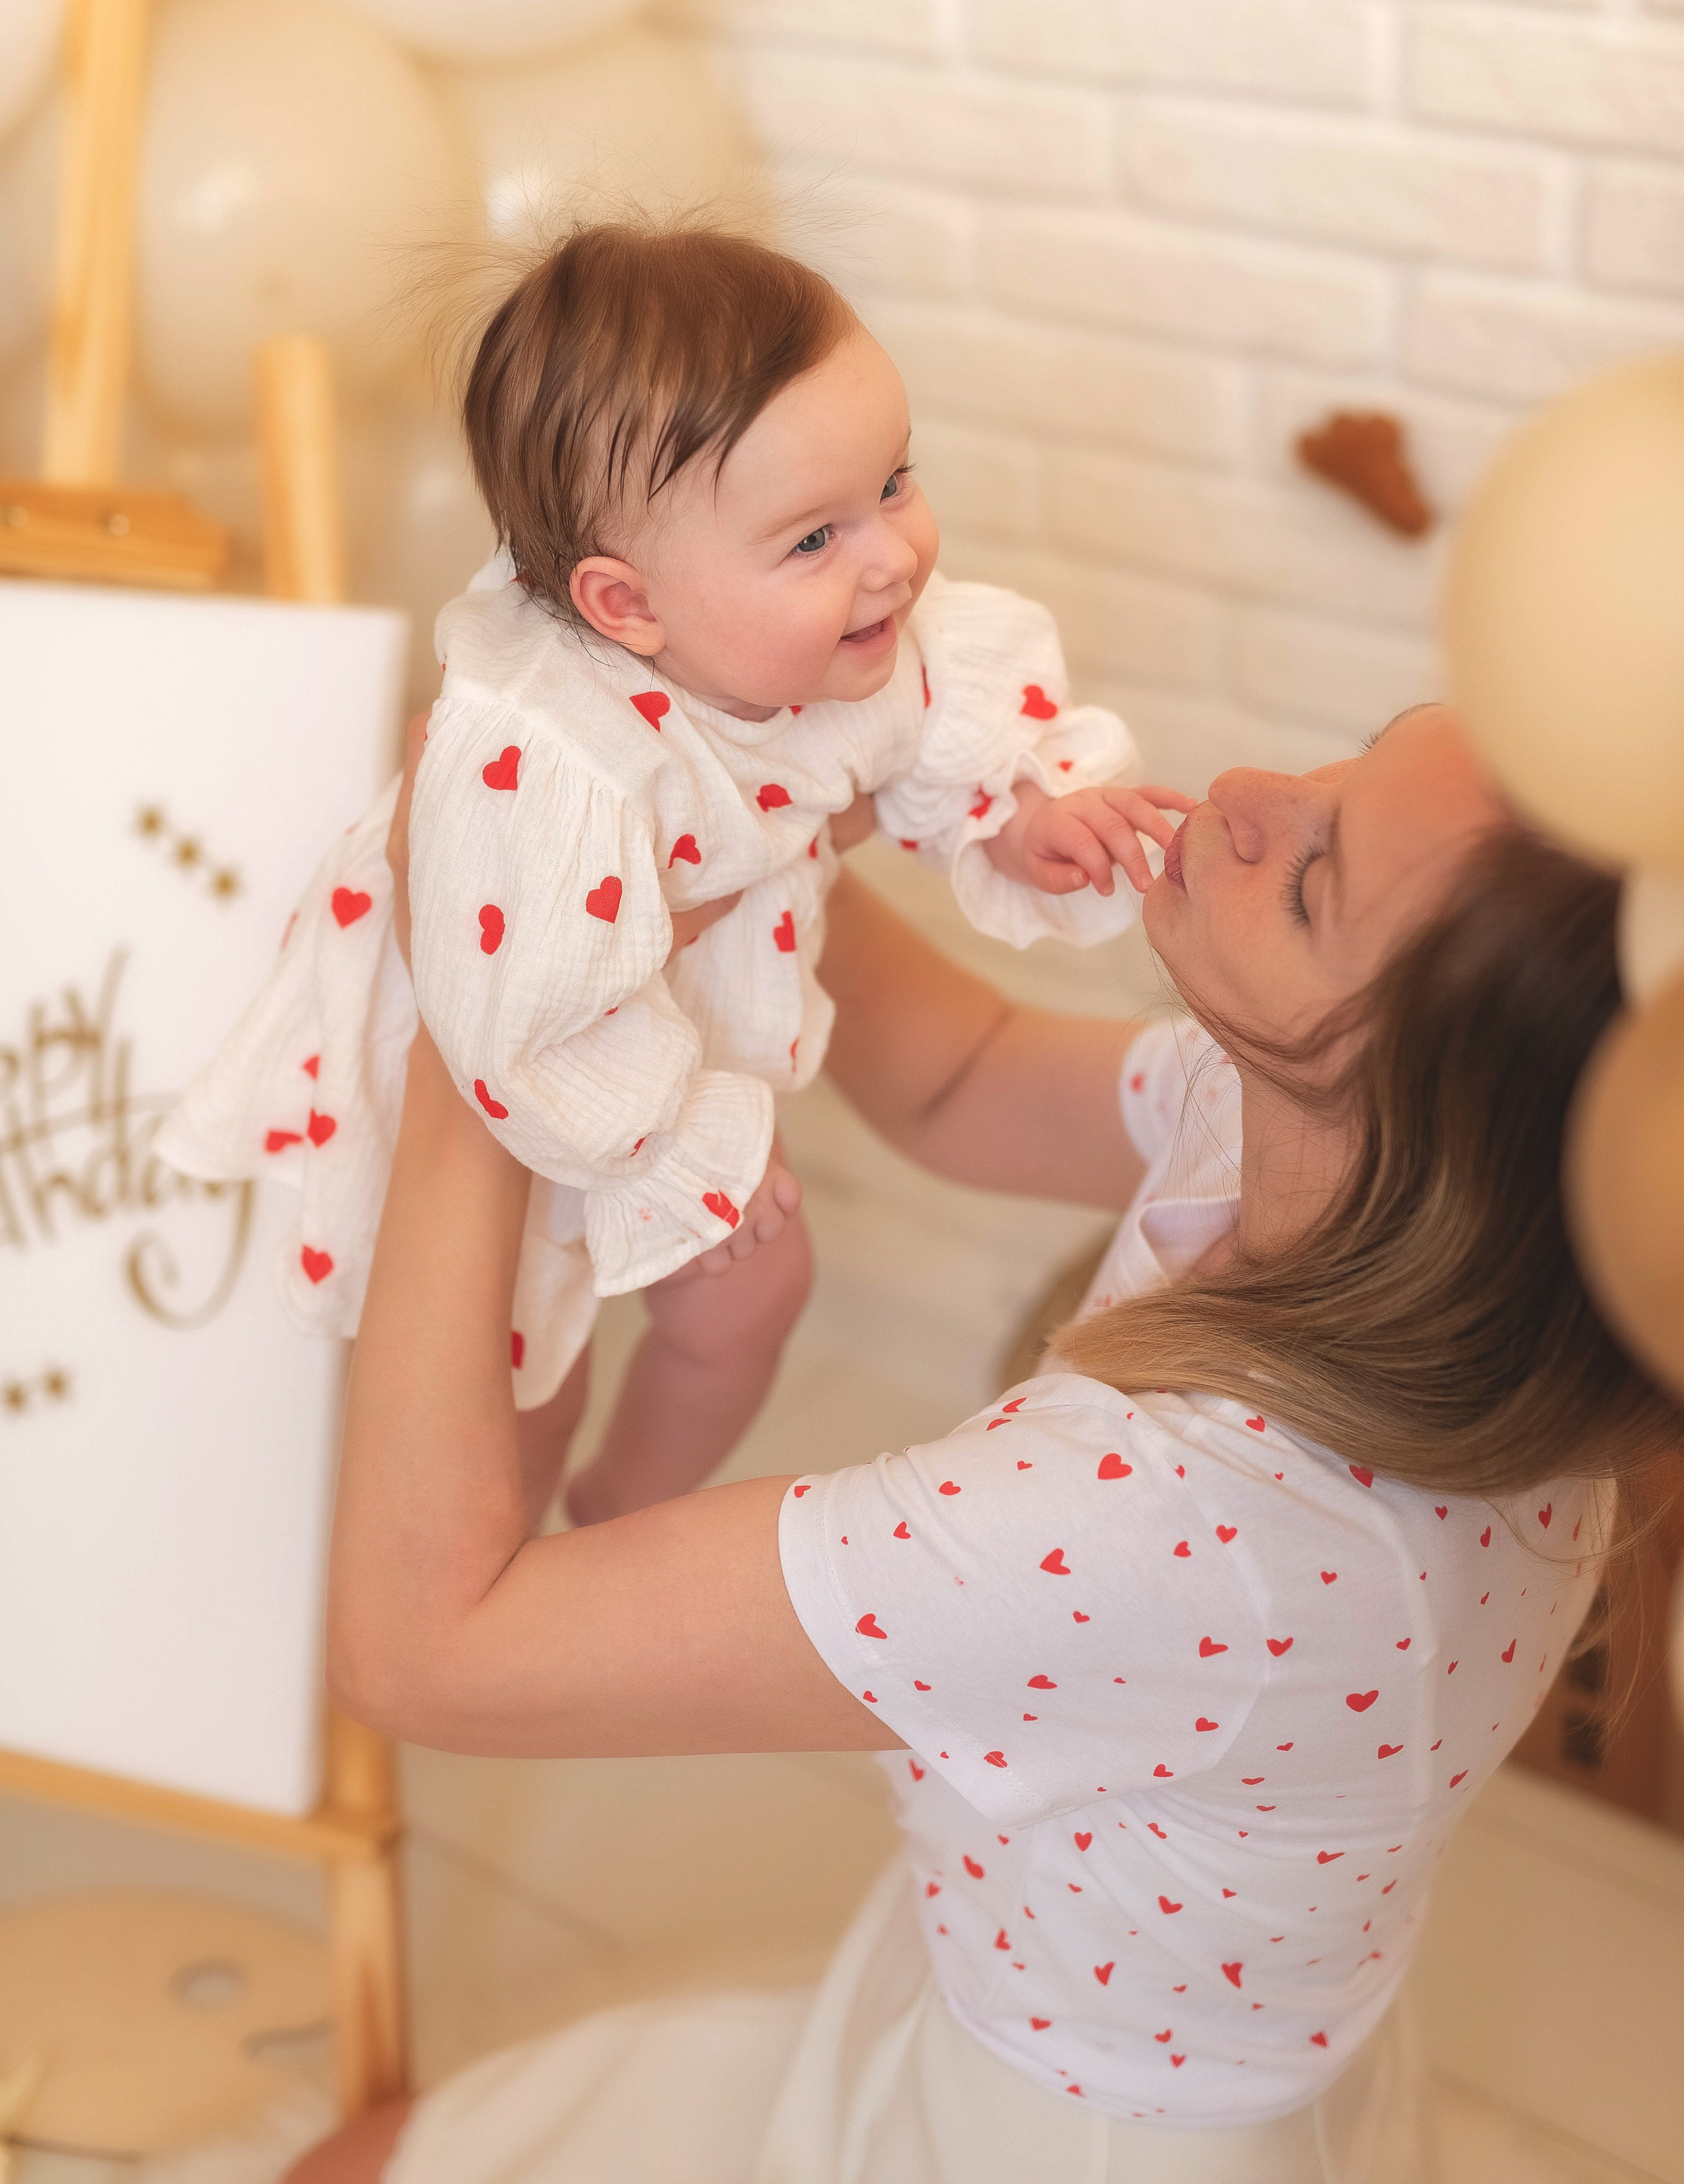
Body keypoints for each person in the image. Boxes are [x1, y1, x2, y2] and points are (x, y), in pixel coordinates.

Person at [287, 706, 1683, 2184]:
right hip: (1133, 2015)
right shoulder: (1461, 1272)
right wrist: (725, 815)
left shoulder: (1161, 1529)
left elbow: (422, 1648)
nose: (1251, 792)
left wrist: (479, 1022)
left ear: (1429, 1118)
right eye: (1348, 757)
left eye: (1311, 881)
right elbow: (962, 1079)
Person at [161, 224, 1188, 1526]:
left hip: (634, 1022)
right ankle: (521, 1537)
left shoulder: (834, 635)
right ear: (623, 607)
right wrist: (681, 1149)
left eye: (893, 482)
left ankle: (613, 1520)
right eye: (812, 538)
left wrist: (1018, 809)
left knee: (758, 1294)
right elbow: (512, 1033)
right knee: (521, 1372)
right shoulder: (548, 762)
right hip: (507, 1059)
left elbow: (941, 710)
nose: (889, 556)